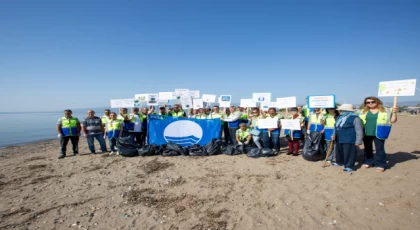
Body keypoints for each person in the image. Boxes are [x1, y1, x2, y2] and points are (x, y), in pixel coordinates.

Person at [359, 96, 398, 172]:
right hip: (366, 133)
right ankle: (368, 161)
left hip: (380, 132)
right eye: (368, 102)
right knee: (367, 149)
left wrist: (394, 112)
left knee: (380, 149)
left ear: (377, 102)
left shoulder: (386, 111)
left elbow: (393, 121)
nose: (370, 103)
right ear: (365, 104)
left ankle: (380, 164)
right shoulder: (362, 111)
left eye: (373, 102)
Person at [332, 104, 364, 173]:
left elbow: (359, 130)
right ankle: (340, 162)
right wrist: (333, 134)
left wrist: (358, 141)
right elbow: (336, 127)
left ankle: (349, 166)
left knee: (349, 153)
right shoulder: (339, 117)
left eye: (342, 110)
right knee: (339, 151)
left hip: (349, 139)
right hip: (339, 138)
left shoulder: (355, 118)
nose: (340, 112)